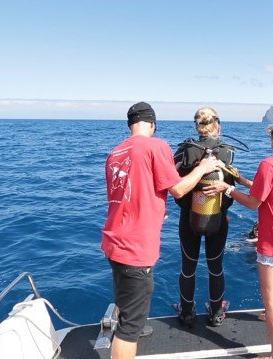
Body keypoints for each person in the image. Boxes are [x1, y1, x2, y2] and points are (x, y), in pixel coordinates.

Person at [101, 102, 219, 359]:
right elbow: (178, 189)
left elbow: (127, 194)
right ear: (152, 124)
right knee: (128, 330)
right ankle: (129, 333)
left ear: (131, 124)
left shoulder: (115, 153)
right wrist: (203, 168)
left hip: (113, 241)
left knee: (125, 302)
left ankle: (131, 324)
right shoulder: (156, 146)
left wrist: (156, 209)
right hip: (136, 247)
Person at [203, 118, 273, 359]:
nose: (270, 142)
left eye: (271, 137)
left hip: (271, 238)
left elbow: (253, 202)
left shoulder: (269, 164)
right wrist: (239, 180)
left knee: (268, 298)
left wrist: (225, 189)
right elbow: (270, 191)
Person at [172, 107, 250, 327]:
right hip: (218, 217)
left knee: (188, 267)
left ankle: (186, 312)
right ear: (218, 125)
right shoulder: (227, 151)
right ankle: (216, 312)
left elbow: (173, 178)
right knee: (216, 266)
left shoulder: (185, 149)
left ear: (197, 127)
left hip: (189, 218)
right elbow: (230, 182)